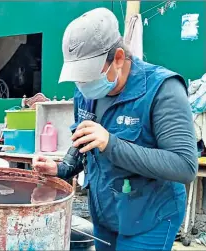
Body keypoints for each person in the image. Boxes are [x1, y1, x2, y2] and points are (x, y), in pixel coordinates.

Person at [32, 8, 198, 251]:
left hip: (151, 217)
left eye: (88, 74)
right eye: (78, 77)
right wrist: (60, 168)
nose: (82, 84)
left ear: (118, 58)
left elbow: (184, 166)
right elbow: (83, 142)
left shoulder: (163, 89)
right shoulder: (87, 91)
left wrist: (111, 143)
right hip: (106, 213)